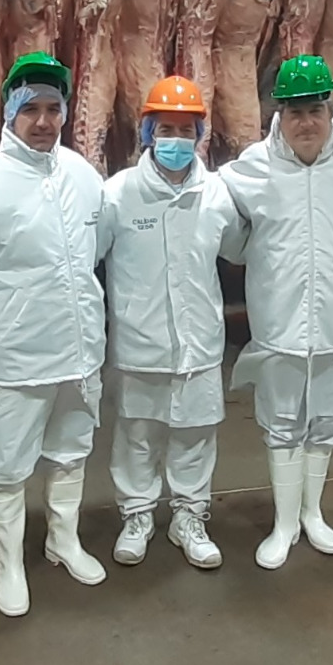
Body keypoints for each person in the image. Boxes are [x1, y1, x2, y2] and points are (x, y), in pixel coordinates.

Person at [0, 52, 109, 617]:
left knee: (71, 451)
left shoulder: (83, 176)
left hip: (78, 352)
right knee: (5, 466)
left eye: (54, 109)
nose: (44, 121)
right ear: (9, 112)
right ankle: (9, 563)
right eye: (31, 109)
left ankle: (63, 540)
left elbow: (97, 247)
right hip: (12, 357)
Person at [221, 55, 333, 570]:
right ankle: (283, 523)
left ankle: (312, 513)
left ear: (331, 109)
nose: (306, 123)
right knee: (281, 423)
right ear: (278, 114)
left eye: (315, 110)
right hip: (279, 327)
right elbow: (226, 234)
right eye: (294, 112)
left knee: (328, 421)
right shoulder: (249, 170)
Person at [98, 76, 245, 569]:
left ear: (199, 134)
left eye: (186, 130)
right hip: (139, 342)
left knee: (195, 435)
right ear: (147, 133)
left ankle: (190, 517)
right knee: (137, 436)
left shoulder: (216, 193)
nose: (176, 140)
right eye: (166, 129)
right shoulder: (117, 194)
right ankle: (136, 515)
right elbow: (87, 256)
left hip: (199, 341)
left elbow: (239, 247)